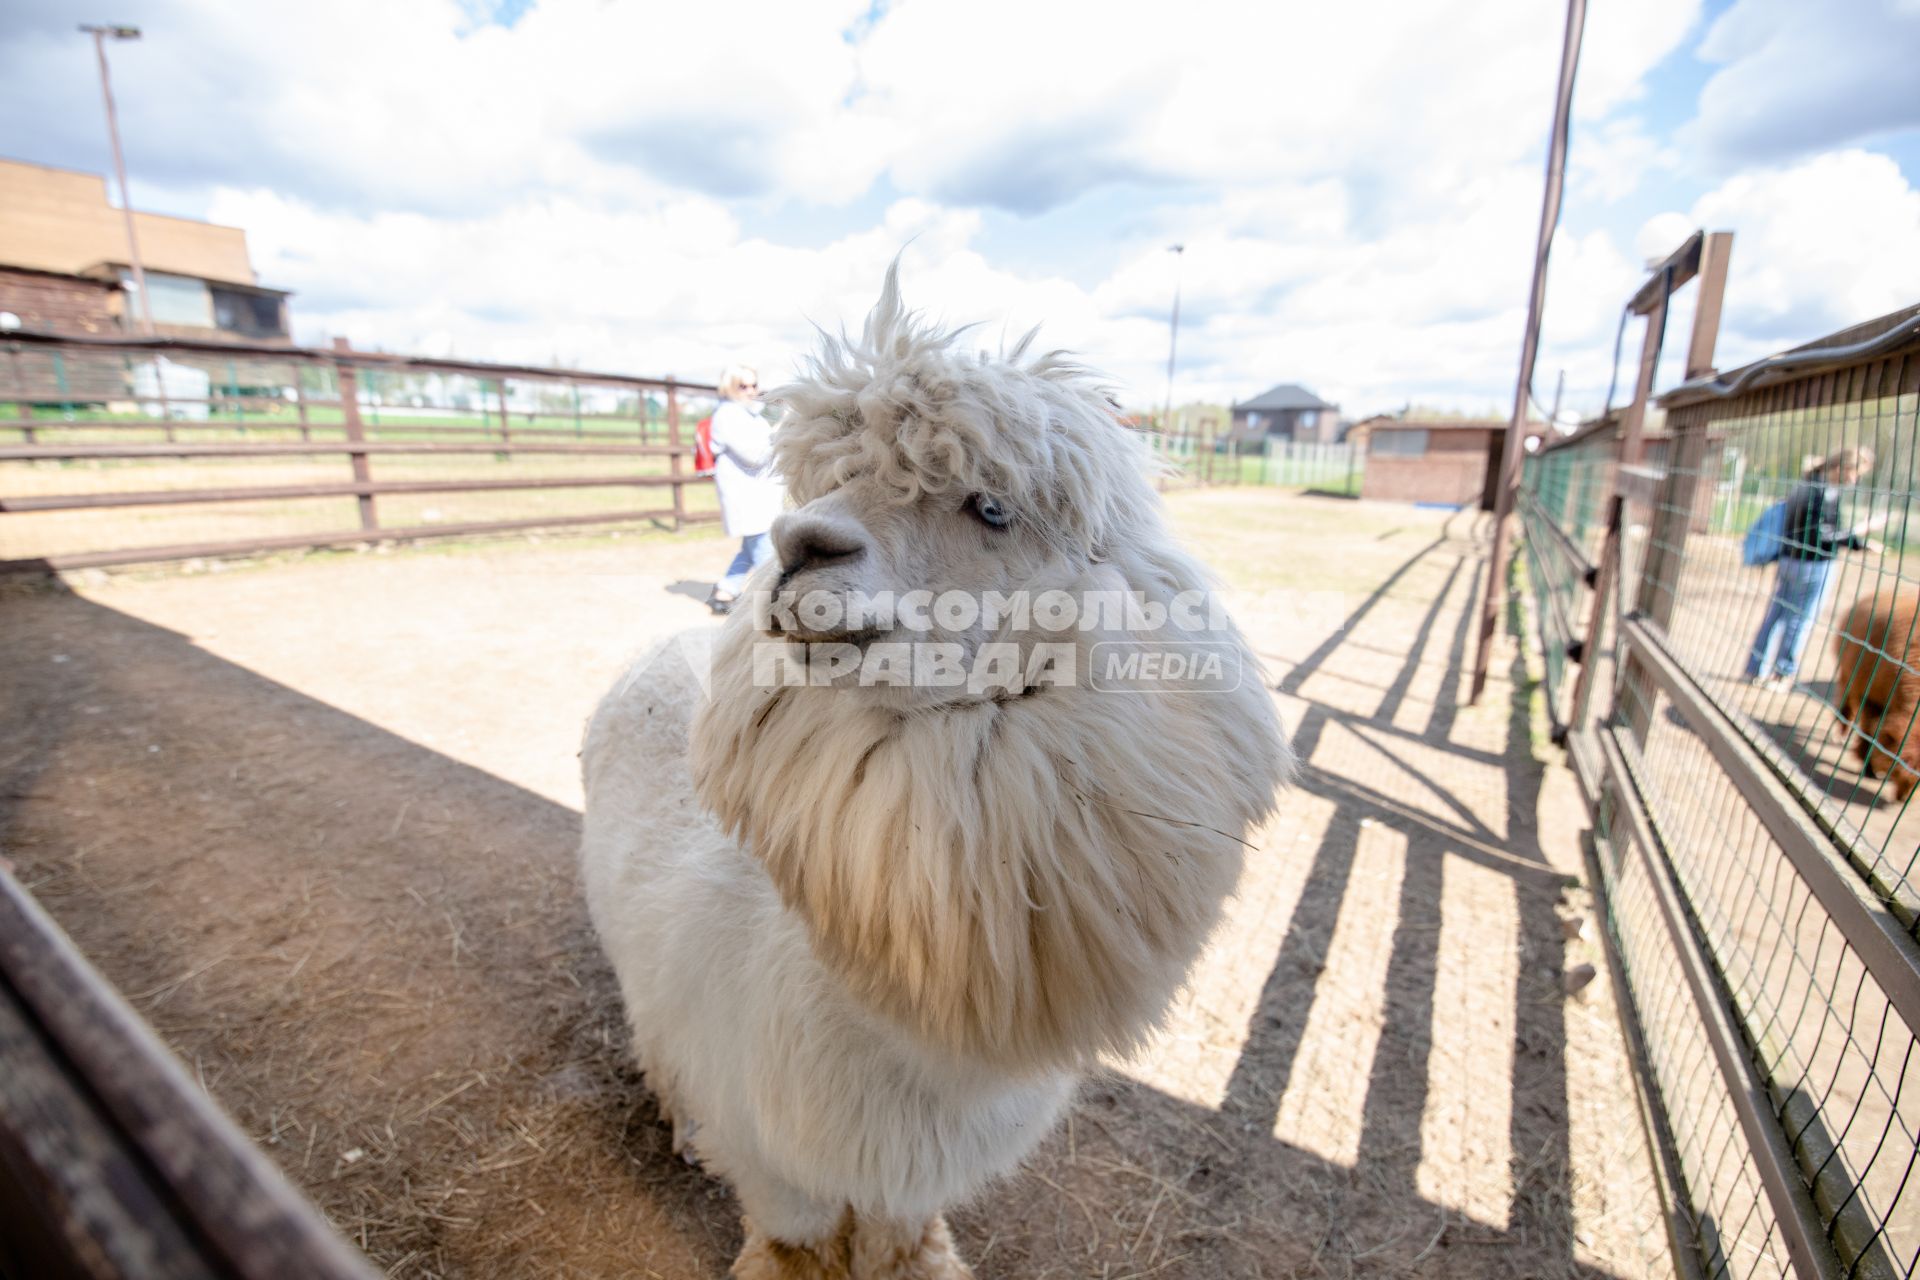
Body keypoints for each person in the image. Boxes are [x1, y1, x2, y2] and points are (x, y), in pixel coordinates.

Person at [1745, 444, 1883, 691]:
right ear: (1843, 467)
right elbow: (1822, 535)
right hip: (1812, 564)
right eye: (1856, 473)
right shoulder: (1825, 491)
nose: (1855, 480)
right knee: (1800, 619)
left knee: (1776, 615)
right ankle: (1781, 674)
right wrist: (1859, 536)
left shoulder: (1805, 484)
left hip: (1789, 559)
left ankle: (1755, 668)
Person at [706, 364, 783, 615]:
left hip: (760, 495)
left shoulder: (752, 415)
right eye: (743, 386)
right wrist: (784, 429)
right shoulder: (727, 416)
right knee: (765, 551)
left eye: (753, 385)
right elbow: (755, 456)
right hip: (747, 496)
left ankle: (725, 590)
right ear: (730, 388)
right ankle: (772, 602)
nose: (750, 391)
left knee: (754, 545)